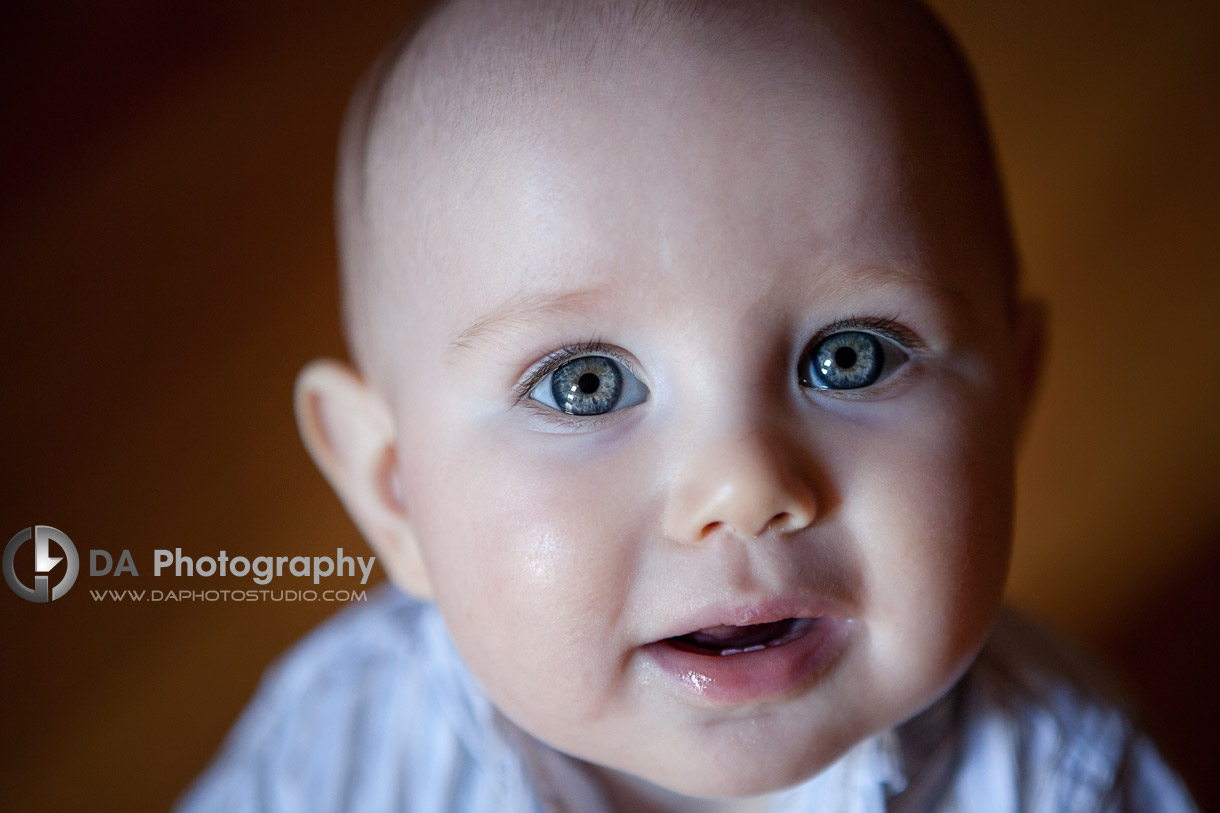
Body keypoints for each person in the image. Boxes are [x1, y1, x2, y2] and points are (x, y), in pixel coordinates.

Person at [179, 0, 1198, 809]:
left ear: (1008, 402)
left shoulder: (1066, 778)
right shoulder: (343, 748)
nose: (744, 486)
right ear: (393, 491)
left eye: (847, 357)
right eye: (584, 384)